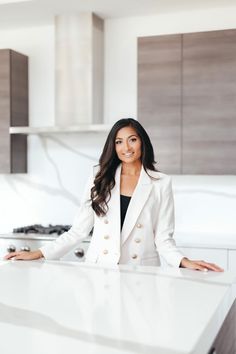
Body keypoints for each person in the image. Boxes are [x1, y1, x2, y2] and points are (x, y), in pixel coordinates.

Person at [5, 118, 223, 271]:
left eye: (132, 139)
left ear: (142, 142)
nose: (126, 147)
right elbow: (79, 231)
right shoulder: (98, 177)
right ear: (113, 146)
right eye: (119, 141)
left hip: (142, 274)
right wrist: (40, 253)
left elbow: (163, 240)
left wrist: (184, 261)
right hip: (98, 273)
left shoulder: (161, 183)